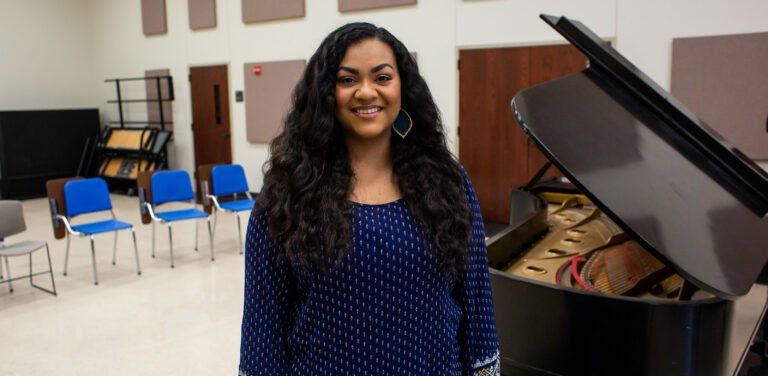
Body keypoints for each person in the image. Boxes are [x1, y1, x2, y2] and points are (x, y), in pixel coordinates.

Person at [239, 22, 499, 376]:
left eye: (382, 77)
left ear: (403, 88)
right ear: (327, 93)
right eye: (347, 80)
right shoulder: (287, 193)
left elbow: (477, 303)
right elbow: (263, 326)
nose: (366, 92)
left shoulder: (448, 182)